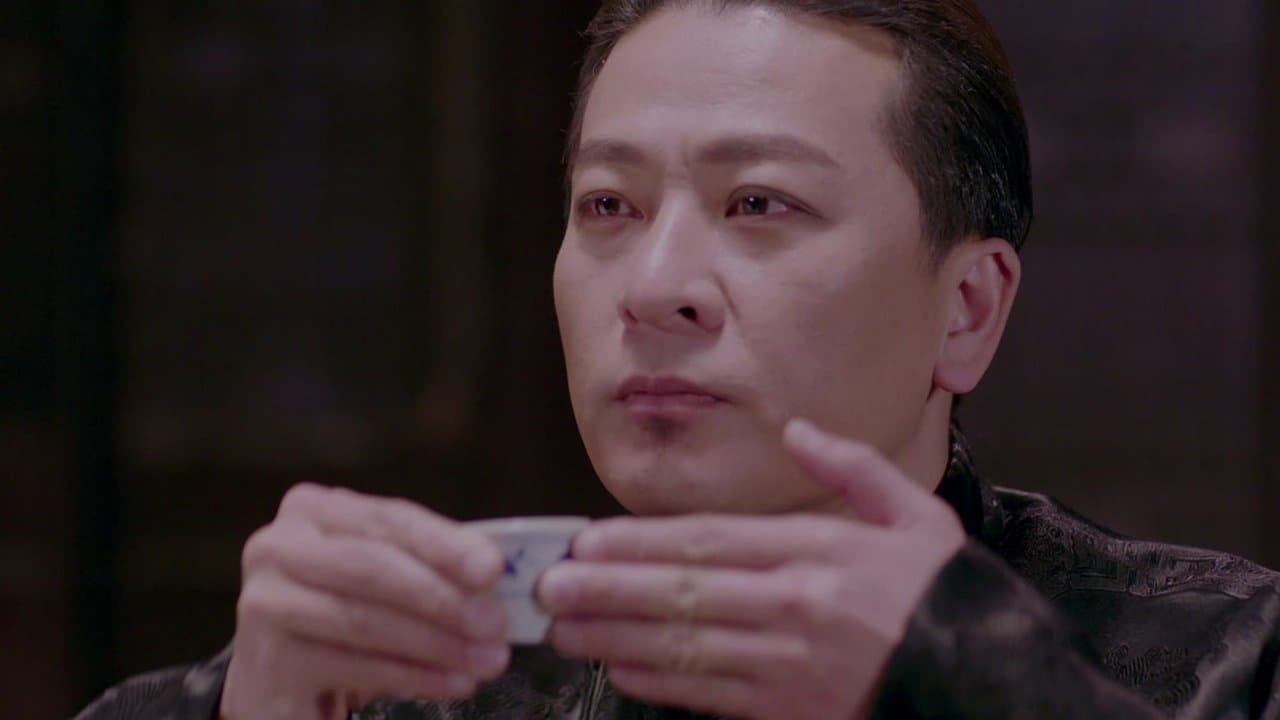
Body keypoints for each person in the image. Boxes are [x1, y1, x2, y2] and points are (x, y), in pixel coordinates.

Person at [77, 1, 1280, 718]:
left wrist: (975, 683)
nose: (653, 288)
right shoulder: (426, 675)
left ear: (965, 308)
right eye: (607, 207)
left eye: (758, 204)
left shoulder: (1223, 657)